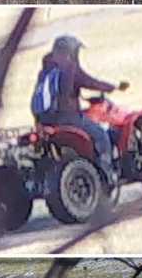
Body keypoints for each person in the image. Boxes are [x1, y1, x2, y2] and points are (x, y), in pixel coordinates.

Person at [33, 35, 128, 185]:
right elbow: (90, 82)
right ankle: (107, 175)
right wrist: (111, 87)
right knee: (101, 135)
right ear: (71, 52)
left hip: (45, 120)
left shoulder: (45, 71)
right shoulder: (70, 68)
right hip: (68, 118)